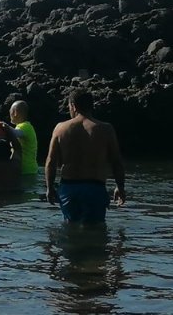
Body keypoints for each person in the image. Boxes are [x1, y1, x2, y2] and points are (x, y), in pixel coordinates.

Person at [45, 89, 126, 224]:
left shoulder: (60, 128)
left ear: (73, 106)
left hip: (69, 188)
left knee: (71, 228)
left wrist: (49, 188)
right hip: (95, 188)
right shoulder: (106, 129)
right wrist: (120, 187)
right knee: (96, 229)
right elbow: (116, 161)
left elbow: (50, 162)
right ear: (91, 105)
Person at [9, 100, 38, 175]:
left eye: (10, 111)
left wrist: (1, 125)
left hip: (26, 170)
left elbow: (14, 133)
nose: (9, 113)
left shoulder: (25, 126)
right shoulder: (26, 126)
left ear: (15, 112)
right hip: (29, 169)